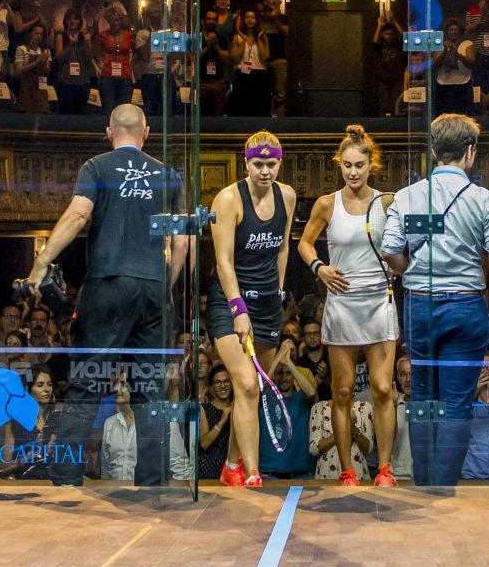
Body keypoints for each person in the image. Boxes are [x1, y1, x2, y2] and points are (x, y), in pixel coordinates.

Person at [26, 105, 190, 483]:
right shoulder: (168, 175)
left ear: (108, 132)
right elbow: (181, 243)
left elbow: (78, 215)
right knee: (149, 391)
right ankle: (151, 485)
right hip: (151, 289)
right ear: (146, 133)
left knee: (85, 385)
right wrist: (163, 287)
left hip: (107, 285)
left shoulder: (96, 167)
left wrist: (42, 261)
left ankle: (67, 480)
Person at [381, 113, 489, 488]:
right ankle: (442, 487)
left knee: (423, 397)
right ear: (470, 153)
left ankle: (423, 482)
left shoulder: (408, 195)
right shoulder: (482, 199)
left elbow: (389, 249)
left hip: (420, 305)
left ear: (432, 151)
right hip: (465, 305)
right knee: (458, 403)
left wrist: (407, 266)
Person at [296, 126, 400, 486]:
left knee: (383, 388)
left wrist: (399, 267)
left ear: (372, 164)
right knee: (341, 392)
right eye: (347, 165)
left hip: (379, 302)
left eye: (359, 165)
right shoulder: (328, 203)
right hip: (341, 303)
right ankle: (348, 471)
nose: (353, 172)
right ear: (339, 165)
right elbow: (304, 244)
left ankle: (385, 469)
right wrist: (319, 268)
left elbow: (403, 248)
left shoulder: (388, 202)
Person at [204, 135, 295, 487]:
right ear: (246, 163)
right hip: (230, 304)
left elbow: (283, 247)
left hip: (268, 305)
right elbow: (223, 262)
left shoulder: (286, 195)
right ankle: (253, 474)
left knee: (252, 388)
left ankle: (231, 465)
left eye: (271, 164)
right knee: (244, 384)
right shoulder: (228, 199)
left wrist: (280, 290)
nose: (265, 171)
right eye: (258, 164)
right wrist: (237, 307)